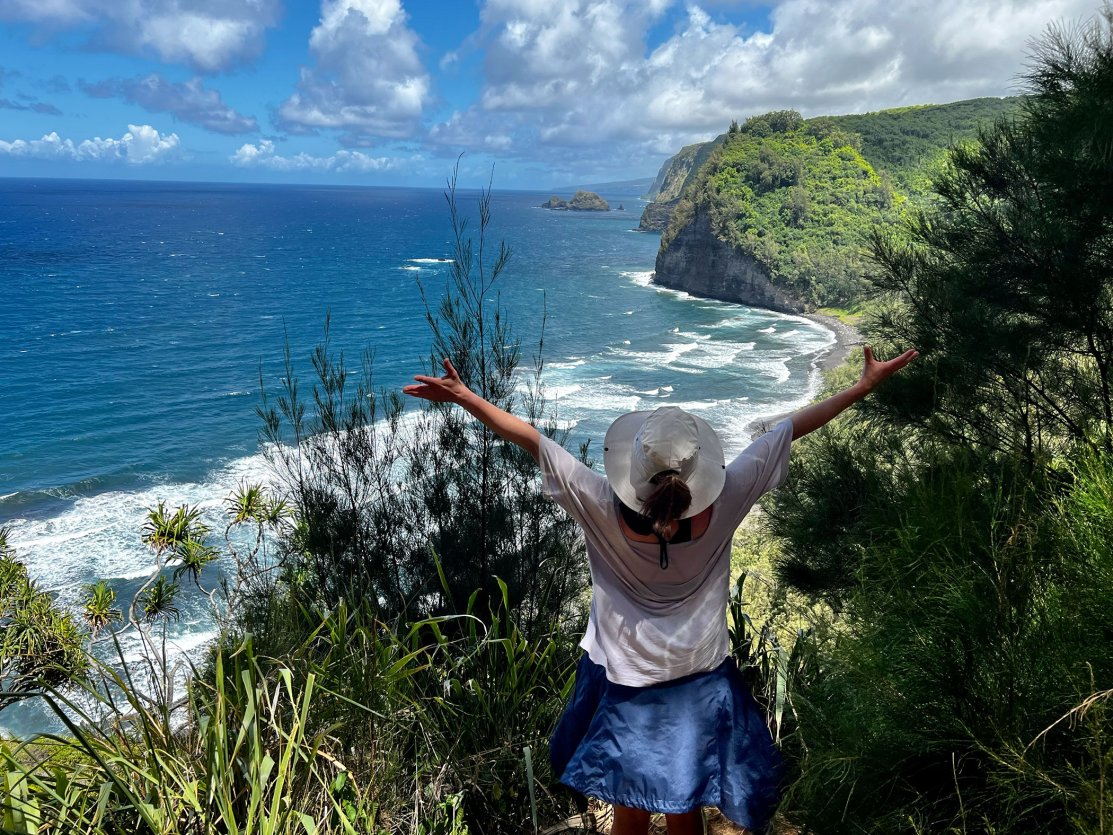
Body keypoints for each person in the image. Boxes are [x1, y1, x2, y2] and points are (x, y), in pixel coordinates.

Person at [403, 344, 917, 835]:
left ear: (634, 471)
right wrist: (863, 385)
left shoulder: (599, 504)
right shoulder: (729, 498)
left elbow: (531, 439)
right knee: (683, 806)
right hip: (699, 677)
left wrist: (464, 396)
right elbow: (788, 431)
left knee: (630, 807)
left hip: (625, 679)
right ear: (700, 472)